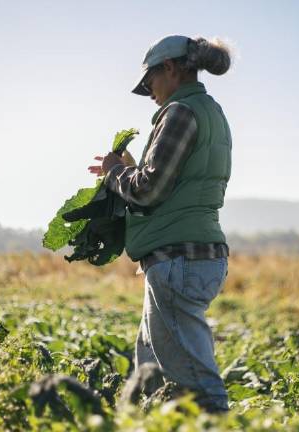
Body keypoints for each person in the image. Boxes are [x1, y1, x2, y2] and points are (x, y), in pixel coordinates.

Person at [88, 34, 233, 413]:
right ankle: (132, 419)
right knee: (148, 368)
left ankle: (217, 421)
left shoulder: (180, 113)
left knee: (200, 385)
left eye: (149, 81)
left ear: (169, 68)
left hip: (177, 261)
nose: (149, 92)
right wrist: (129, 169)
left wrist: (115, 173)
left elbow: (149, 189)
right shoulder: (210, 112)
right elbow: (174, 185)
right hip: (194, 255)